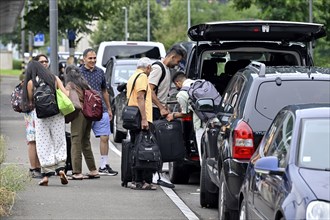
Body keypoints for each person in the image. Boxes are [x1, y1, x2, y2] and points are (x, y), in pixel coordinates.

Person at [21, 60, 69, 186]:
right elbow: (65, 94)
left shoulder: (31, 83)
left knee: (43, 143)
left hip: (41, 116)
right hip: (56, 114)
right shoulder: (54, 78)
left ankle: (46, 176)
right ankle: (61, 170)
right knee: (59, 141)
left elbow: (31, 101)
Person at [148, 45, 186, 188]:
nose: (177, 64)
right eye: (178, 61)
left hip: (158, 109)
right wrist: (160, 107)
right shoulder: (158, 68)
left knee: (159, 143)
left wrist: (165, 106)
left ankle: (156, 174)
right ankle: (154, 175)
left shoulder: (166, 70)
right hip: (153, 110)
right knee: (155, 143)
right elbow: (149, 90)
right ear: (172, 57)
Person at [79, 48, 118, 176]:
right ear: (84, 59)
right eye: (90, 58)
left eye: (94, 58)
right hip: (84, 109)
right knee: (81, 138)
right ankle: (75, 167)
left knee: (105, 136)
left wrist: (109, 108)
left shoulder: (100, 72)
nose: (93, 60)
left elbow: (104, 91)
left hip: (101, 109)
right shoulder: (78, 73)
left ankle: (103, 165)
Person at [166, 71, 213, 164]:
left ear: (177, 83)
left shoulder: (181, 94)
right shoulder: (201, 83)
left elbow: (186, 114)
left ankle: (204, 175)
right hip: (214, 121)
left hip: (201, 124)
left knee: (202, 153)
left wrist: (173, 115)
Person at [64, 65, 100, 180]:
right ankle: (93, 170)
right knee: (85, 142)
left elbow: (71, 102)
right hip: (88, 114)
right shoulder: (84, 83)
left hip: (78, 114)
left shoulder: (70, 85)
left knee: (75, 141)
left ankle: (77, 172)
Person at [126, 57, 156, 190]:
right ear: (148, 67)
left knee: (135, 148)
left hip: (133, 118)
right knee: (145, 149)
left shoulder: (133, 76)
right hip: (141, 118)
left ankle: (136, 180)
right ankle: (144, 181)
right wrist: (144, 119)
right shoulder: (143, 77)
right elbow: (140, 97)